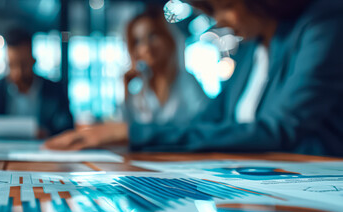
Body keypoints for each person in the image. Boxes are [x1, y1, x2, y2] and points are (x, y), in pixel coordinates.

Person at [46, 0, 343, 157]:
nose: (220, 21)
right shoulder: (250, 49)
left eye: (226, 6)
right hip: (252, 179)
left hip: (309, 183)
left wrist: (133, 133)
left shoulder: (321, 24)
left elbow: (278, 130)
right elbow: (207, 121)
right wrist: (125, 133)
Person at [0, 28, 74, 138]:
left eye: (23, 64)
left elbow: (67, 128)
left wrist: (47, 132)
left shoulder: (56, 90)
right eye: (12, 65)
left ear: (34, 61)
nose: (18, 73)